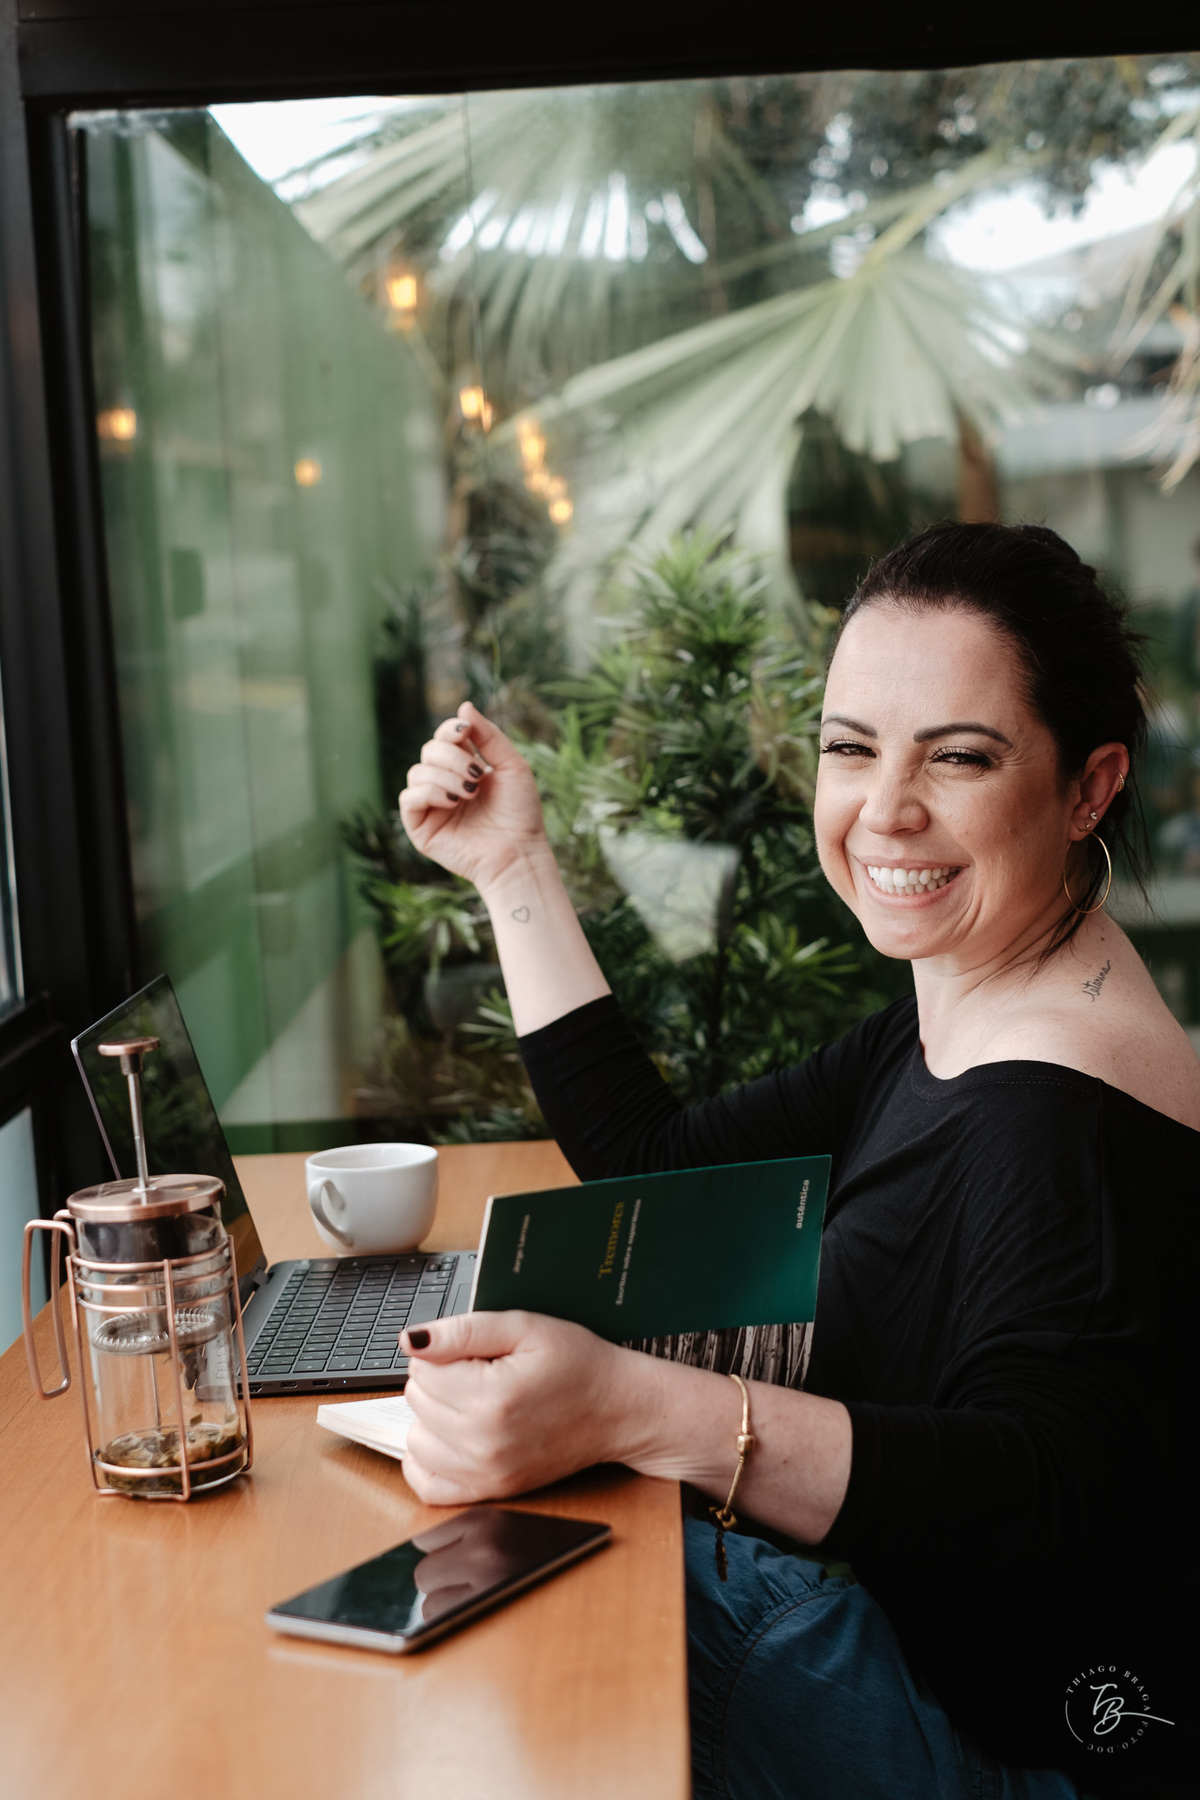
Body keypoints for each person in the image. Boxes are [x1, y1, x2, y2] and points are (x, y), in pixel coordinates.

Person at [397, 522, 1195, 1800]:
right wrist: (511, 864)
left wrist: (632, 1407)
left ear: (1089, 788)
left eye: (963, 757)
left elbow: (1048, 1494)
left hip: (1011, 1753)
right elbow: (651, 1162)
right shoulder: (963, 1010)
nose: (885, 810)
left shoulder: (1056, 1112)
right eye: (849, 748)